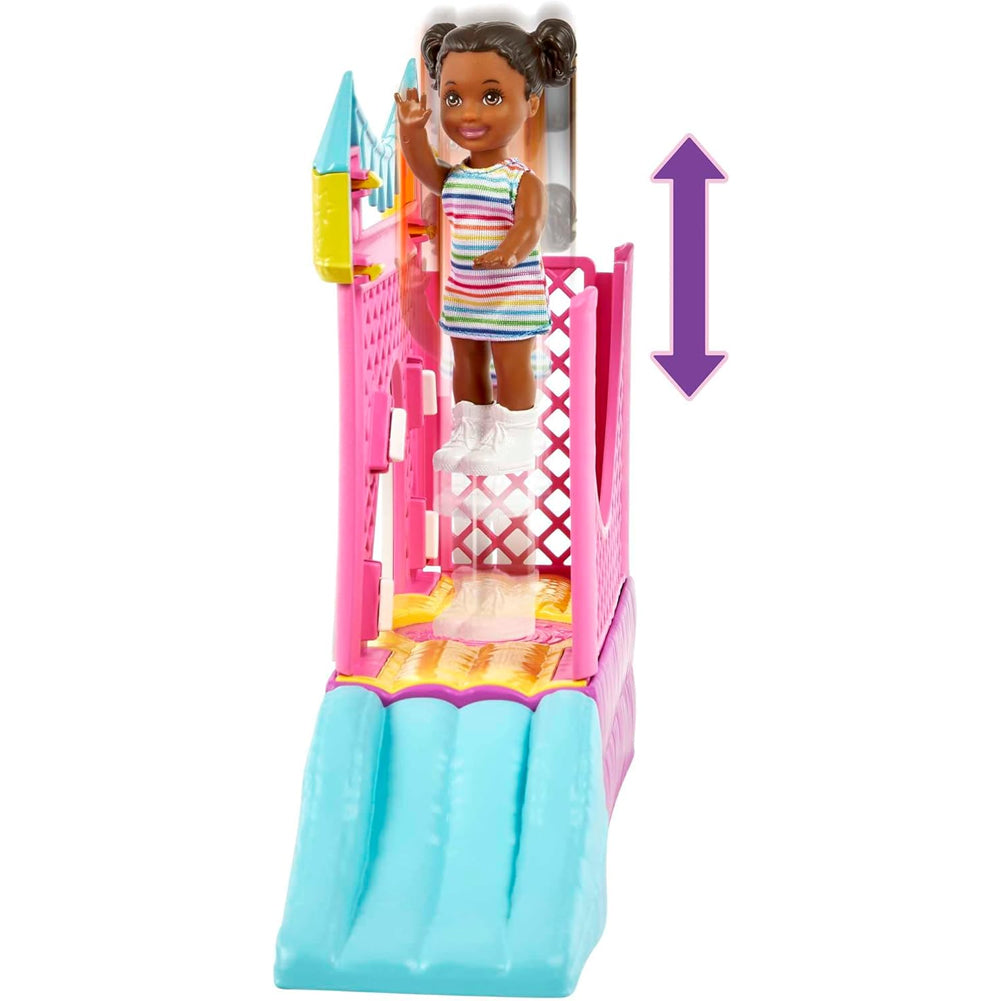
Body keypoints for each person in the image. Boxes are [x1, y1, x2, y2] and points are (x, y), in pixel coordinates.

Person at [395, 19, 576, 475]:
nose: (469, 114)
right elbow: (425, 168)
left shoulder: (520, 180)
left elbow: (530, 224)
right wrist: (411, 132)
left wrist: (511, 250)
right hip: (465, 293)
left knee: (512, 363)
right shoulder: (456, 177)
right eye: (453, 98)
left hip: (510, 295)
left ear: (530, 103)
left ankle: (515, 435)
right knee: (467, 362)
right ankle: (471, 429)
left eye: (491, 97)